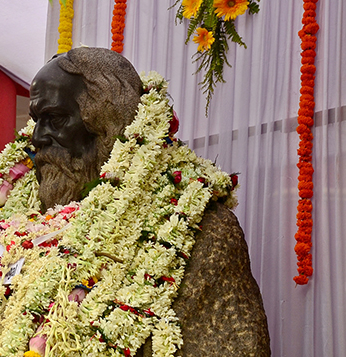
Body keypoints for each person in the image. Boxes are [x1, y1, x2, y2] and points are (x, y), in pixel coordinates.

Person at [28, 47, 270, 356]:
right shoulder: (28, 229)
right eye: (36, 120)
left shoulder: (196, 228)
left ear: (107, 124)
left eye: (55, 119)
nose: (37, 138)